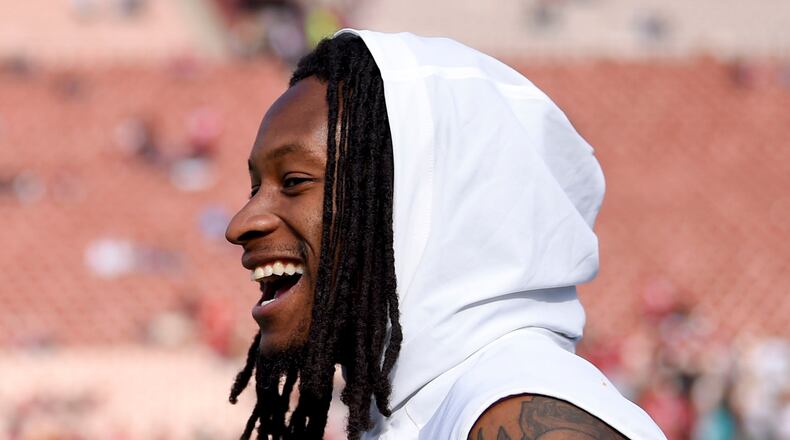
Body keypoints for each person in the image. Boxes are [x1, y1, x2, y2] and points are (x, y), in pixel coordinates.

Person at [224, 30, 667, 440]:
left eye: (295, 181)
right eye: (254, 186)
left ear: (417, 200)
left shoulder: (516, 411)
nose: (240, 224)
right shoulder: (424, 408)